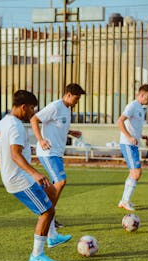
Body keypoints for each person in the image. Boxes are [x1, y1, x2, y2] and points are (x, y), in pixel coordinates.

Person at [0, 89, 62, 261]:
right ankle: (37, 255)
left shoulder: (3, 122)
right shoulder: (15, 126)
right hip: (18, 179)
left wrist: (14, 159)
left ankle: (52, 236)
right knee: (47, 211)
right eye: (31, 108)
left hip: (21, 174)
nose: (33, 113)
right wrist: (34, 173)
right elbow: (15, 155)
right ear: (23, 107)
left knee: (51, 191)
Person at [30, 83, 86, 245]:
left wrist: (70, 131)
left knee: (55, 185)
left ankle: (50, 223)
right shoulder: (55, 106)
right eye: (76, 98)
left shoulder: (68, 109)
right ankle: (46, 215)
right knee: (61, 182)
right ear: (68, 94)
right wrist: (40, 140)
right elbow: (34, 119)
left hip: (57, 153)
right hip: (48, 152)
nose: (77, 101)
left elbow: (56, 125)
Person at [117, 84, 148, 211]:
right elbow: (120, 121)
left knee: (133, 173)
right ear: (142, 94)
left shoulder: (139, 107)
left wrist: (140, 136)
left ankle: (124, 201)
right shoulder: (132, 106)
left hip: (132, 144)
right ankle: (125, 201)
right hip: (128, 144)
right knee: (137, 173)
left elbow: (132, 125)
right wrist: (129, 137)